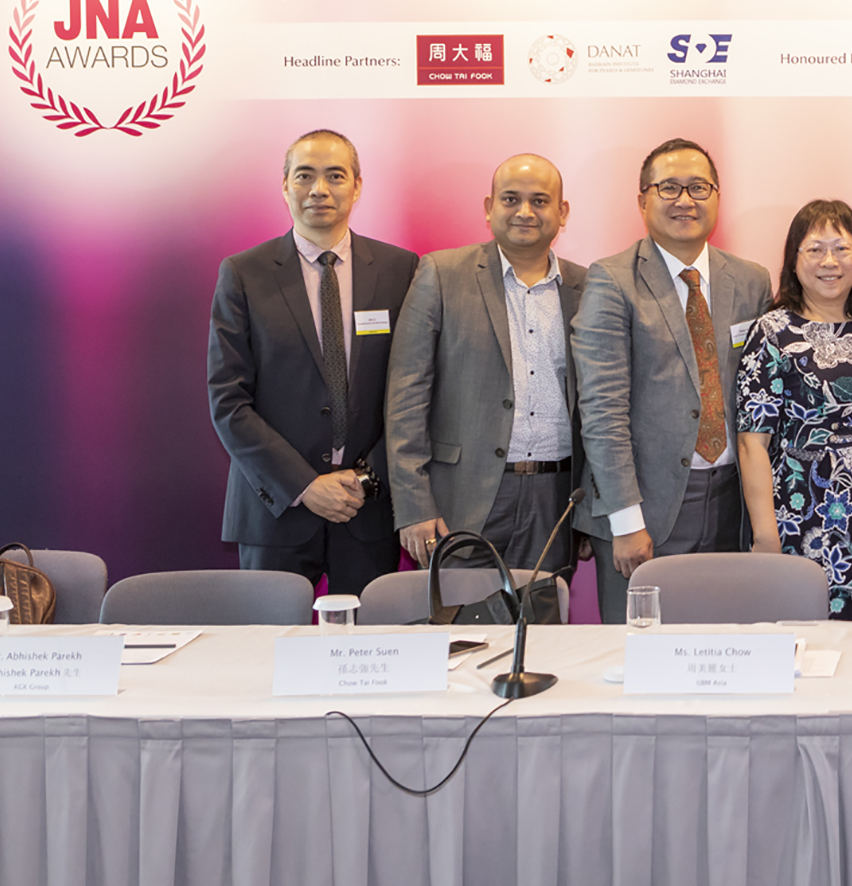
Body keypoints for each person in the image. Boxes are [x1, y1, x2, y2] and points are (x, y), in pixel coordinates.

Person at [207, 129, 418, 594]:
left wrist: (365, 478)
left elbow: (415, 393)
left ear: (357, 186)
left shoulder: (401, 270)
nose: (319, 189)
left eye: (335, 176)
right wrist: (306, 485)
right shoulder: (244, 273)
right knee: (268, 655)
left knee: (370, 658)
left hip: (366, 509)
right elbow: (228, 402)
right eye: (304, 176)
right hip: (275, 509)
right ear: (285, 186)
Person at [571, 139, 773, 622]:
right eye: (669, 188)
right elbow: (601, 408)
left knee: (725, 653)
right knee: (644, 661)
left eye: (699, 187)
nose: (685, 200)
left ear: (718, 197)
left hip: (732, 504)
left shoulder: (751, 281)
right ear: (643, 200)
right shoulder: (612, 280)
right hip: (646, 511)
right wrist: (625, 518)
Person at [385, 155, 587, 573]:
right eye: (511, 199)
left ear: (562, 212)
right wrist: (413, 504)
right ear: (488, 207)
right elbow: (406, 396)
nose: (525, 212)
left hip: (556, 498)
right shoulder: (442, 274)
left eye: (540, 201)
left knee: (543, 628)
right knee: (460, 633)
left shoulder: (589, 287)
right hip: (461, 497)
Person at [736, 201, 852, 621]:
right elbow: (751, 442)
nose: (829, 261)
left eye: (841, 248)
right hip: (802, 512)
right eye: (814, 249)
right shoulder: (773, 331)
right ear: (794, 261)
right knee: (802, 643)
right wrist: (765, 536)